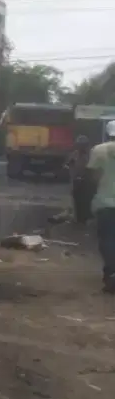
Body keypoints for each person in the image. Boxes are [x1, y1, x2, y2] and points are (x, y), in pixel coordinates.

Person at [88, 120, 115, 293]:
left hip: (105, 204)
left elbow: (94, 179)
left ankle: (111, 273)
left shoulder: (98, 150)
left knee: (107, 240)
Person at [66, 135, 94, 224]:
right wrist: (73, 176)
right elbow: (68, 165)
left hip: (87, 181)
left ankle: (85, 218)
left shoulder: (91, 154)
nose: (81, 147)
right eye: (79, 145)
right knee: (76, 199)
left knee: (86, 200)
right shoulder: (75, 154)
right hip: (76, 181)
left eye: (83, 145)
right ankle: (77, 218)